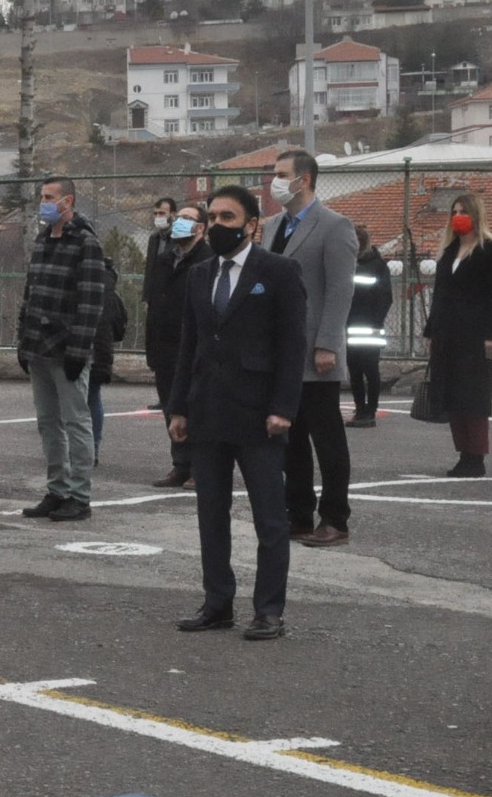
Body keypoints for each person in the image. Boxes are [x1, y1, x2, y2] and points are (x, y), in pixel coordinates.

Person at [168, 184, 307, 642]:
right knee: (211, 513)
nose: (218, 226)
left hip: (259, 414)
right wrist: (179, 407)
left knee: (270, 517)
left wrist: (283, 408)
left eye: (229, 218)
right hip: (208, 410)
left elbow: (292, 346)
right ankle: (217, 603)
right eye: (213, 218)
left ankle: (269, 611)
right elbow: (189, 343)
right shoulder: (199, 273)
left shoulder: (280, 271)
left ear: (252, 225)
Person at [262, 149, 358, 549]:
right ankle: (298, 513)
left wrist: (327, 344)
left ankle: (334, 517)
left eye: (282, 174)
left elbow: (340, 290)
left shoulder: (335, 226)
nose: (275, 181)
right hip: (279, 351)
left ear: (304, 179)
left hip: (316, 352)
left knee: (326, 436)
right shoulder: (271, 227)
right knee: (290, 437)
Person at [17, 175, 105, 522]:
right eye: (42, 196)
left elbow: (91, 301)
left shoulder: (85, 243)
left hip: (66, 349)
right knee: (47, 423)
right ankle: (57, 489)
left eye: (50, 197)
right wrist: (23, 342)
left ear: (68, 201)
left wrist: (78, 350)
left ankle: (79, 496)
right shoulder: (42, 239)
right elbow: (31, 292)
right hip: (38, 347)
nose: (44, 203)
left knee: (76, 422)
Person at [425, 193, 492, 478]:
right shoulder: (449, 251)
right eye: (454, 211)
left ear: (476, 215)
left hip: (475, 335)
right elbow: (440, 295)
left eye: (463, 211)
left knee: (472, 395)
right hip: (447, 333)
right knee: (451, 393)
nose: (458, 215)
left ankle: (476, 455)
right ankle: (463, 453)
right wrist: (430, 330)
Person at [144, 201, 213, 486]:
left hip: (192, 348)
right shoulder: (164, 260)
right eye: (178, 217)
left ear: (201, 228)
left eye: (187, 218)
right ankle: (181, 464)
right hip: (164, 348)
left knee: (195, 408)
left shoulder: (207, 261)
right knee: (172, 407)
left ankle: (201, 467)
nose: (178, 222)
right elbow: (153, 305)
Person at [346, 225, 394, 429]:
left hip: (370, 327)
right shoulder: (346, 264)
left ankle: (370, 411)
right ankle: (359, 409)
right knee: (354, 371)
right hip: (349, 326)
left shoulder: (377, 265)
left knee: (370, 371)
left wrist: (376, 321)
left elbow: (385, 297)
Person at [88, 256, 127, 467]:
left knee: (74, 401)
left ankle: (79, 448)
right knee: (92, 397)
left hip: (84, 351)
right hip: (101, 353)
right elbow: (120, 328)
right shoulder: (111, 294)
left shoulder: (83, 283)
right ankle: (92, 448)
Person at [142, 196, 177, 410]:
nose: (158, 218)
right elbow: (150, 270)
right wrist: (147, 297)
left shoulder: (179, 238)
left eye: (162, 214)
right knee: (155, 348)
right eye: (155, 214)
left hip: (172, 300)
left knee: (171, 349)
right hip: (155, 301)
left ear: (173, 214)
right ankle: (162, 396)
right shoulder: (154, 239)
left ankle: (174, 396)